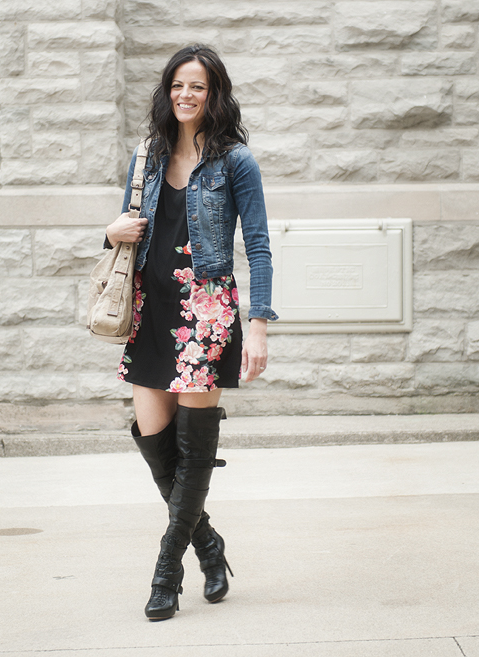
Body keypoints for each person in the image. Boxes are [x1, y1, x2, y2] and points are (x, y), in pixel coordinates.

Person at [104, 44, 277, 620]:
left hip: (206, 310)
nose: (186, 95)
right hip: (150, 310)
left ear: (214, 94)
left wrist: (258, 325)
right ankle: (208, 544)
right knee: (157, 447)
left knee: (193, 450)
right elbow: (127, 232)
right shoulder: (146, 156)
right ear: (166, 91)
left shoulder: (235, 161)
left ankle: (165, 572)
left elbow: (257, 245)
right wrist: (110, 231)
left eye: (197, 87)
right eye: (178, 85)